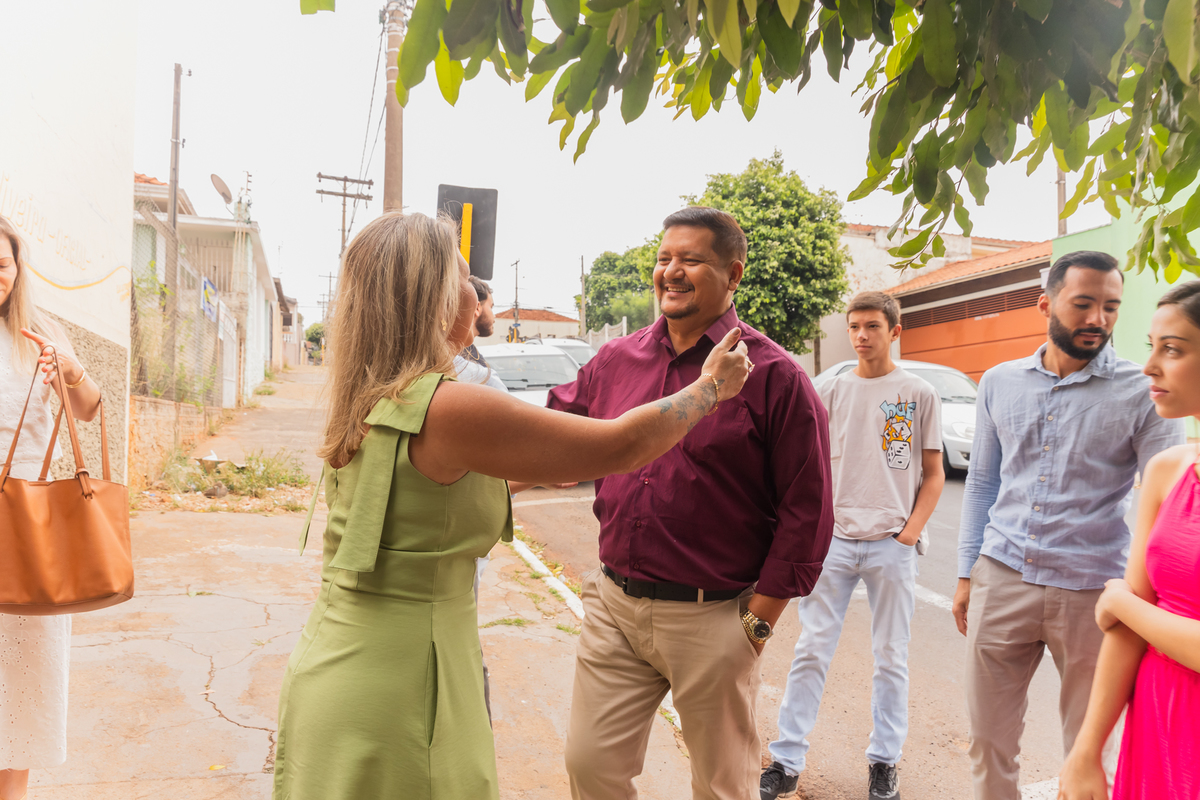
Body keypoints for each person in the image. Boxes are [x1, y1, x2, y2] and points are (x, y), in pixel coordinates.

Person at [272, 211, 750, 800]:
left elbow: (440, 501)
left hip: (344, 662)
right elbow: (624, 445)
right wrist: (709, 387)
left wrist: (543, 467)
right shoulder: (452, 408)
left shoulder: (370, 394)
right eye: (462, 279)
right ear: (431, 296)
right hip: (403, 681)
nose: (475, 297)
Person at [549, 206, 834, 800]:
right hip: (615, 608)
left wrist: (754, 626)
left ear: (733, 273)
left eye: (691, 260)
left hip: (714, 617)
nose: (671, 272)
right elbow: (552, 432)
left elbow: (808, 514)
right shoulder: (615, 360)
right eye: (663, 259)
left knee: (721, 786)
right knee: (590, 767)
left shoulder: (776, 378)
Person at [953, 251, 1185, 800]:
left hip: (1093, 593)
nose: (1098, 319)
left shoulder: (1140, 392)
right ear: (1046, 304)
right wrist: (967, 573)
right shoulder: (999, 382)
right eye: (1083, 304)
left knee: (1088, 752)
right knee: (989, 741)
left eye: (1110, 307)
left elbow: (1168, 506)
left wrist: (1148, 606)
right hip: (1002, 576)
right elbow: (983, 482)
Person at [761, 291, 945, 800]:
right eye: (854, 327)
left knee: (891, 655)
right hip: (834, 543)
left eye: (872, 327)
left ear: (894, 331)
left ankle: (884, 762)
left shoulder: (915, 393)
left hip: (891, 544)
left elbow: (933, 475)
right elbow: (805, 462)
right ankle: (786, 759)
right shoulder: (831, 391)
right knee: (811, 648)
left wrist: (908, 533)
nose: (861, 336)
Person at [1058, 280, 1200, 800]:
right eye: (1151, 347)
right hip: (1153, 723)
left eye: (1173, 349)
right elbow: (1124, 630)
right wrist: (1086, 751)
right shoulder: (1167, 471)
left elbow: (1126, 609)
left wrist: (1120, 599)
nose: (1150, 367)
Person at [0, 215, 102, 800]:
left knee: (21, 693)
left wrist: (71, 368)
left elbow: (88, 409)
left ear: (18, 270)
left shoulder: (44, 334)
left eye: (3, 263)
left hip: (29, 529)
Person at [455, 275, 506, 391]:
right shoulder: (482, 376)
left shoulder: (459, 351)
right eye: (491, 307)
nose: (494, 315)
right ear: (477, 307)